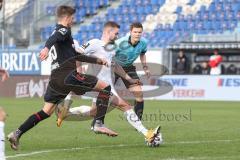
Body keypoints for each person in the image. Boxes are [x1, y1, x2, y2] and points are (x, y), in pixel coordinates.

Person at [7, 5, 114, 150]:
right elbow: (55, 36)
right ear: (67, 17)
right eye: (73, 17)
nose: (73, 20)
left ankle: (17, 133)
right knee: (105, 87)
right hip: (68, 75)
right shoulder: (63, 30)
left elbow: (76, 55)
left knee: (46, 111)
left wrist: (97, 60)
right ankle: (98, 123)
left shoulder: (62, 37)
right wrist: (45, 47)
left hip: (56, 80)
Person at [59, 21, 161, 144]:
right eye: (116, 33)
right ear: (109, 32)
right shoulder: (94, 43)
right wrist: (79, 71)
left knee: (93, 111)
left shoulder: (112, 48)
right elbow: (76, 55)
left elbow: (115, 65)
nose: (118, 36)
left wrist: (128, 78)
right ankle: (148, 134)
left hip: (106, 86)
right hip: (99, 85)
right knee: (126, 106)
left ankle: (68, 112)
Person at [111, 22, 150, 121]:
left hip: (129, 68)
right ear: (130, 32)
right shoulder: (120, 43)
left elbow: (142, 54)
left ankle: (138, 122)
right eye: (135, 32)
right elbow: (108, 56)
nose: (137, 34)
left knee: (139, 93)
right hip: (114, 68)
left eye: (139, 32)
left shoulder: (144, 42)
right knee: (105, 94)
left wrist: (145, 67)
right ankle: (98, 121)